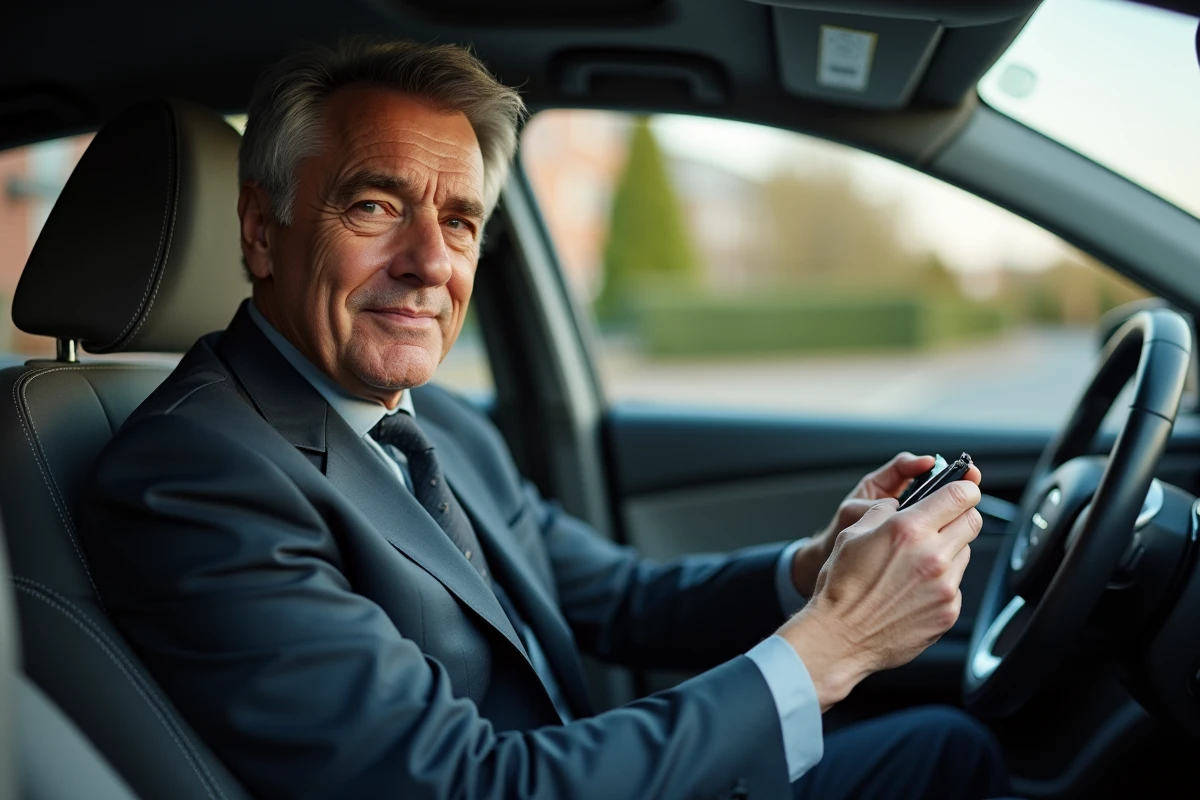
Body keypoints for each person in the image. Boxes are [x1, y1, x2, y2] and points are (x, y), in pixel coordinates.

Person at [77, 38, 1009, 800]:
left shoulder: (434, 425)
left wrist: (813, 568)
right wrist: (832, 646)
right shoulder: (194, 477)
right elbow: (462, 787)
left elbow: (622, 600)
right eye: (374, 206)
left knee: (946, 748)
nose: (430, 263)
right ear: (259, 229)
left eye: (462, 223)